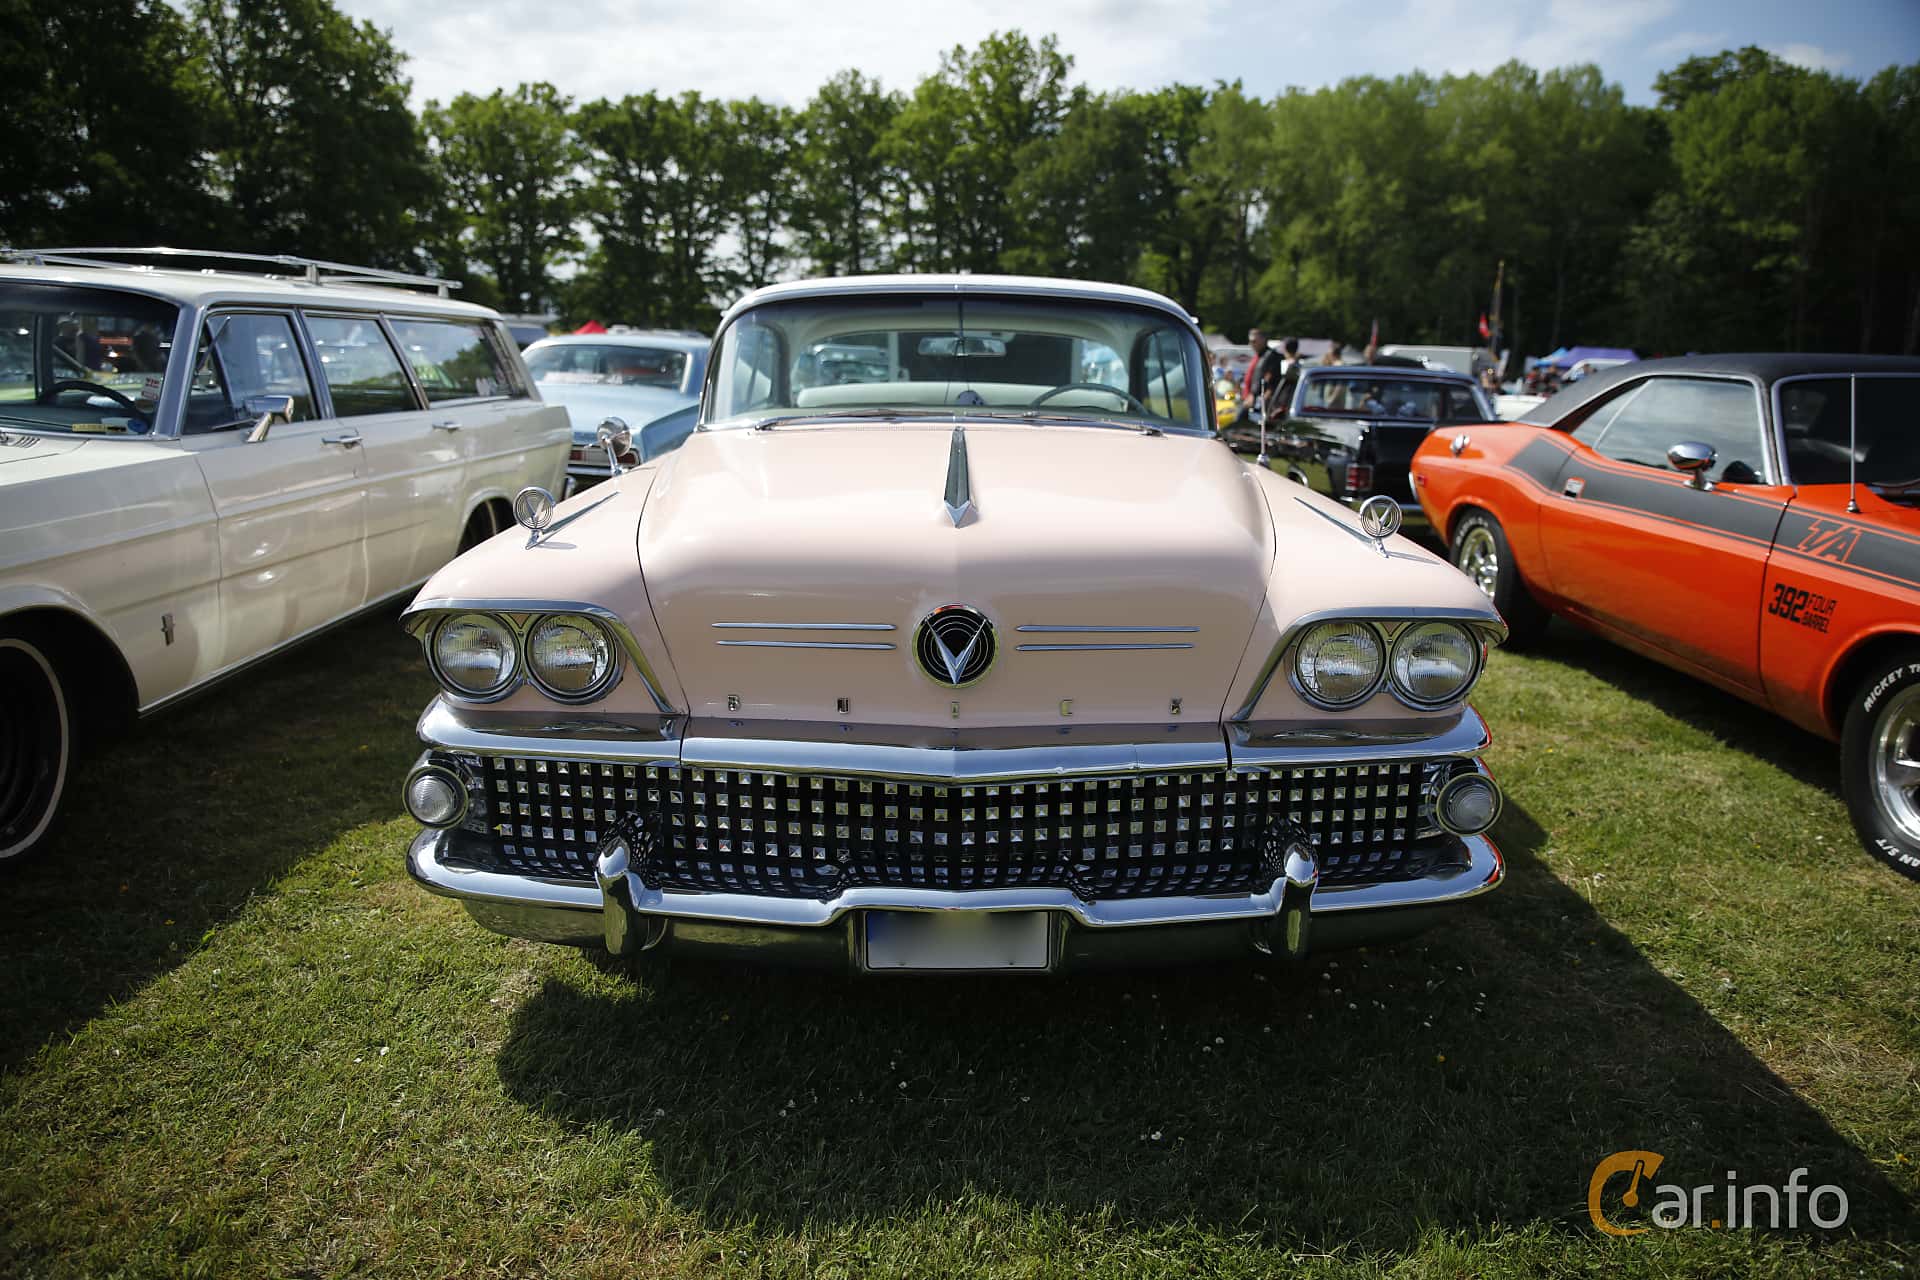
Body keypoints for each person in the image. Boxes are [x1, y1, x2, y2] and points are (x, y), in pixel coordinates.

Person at [1240, 328, 1268, 403]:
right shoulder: (1258, 356)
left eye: (1254, 341)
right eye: (1250, 341)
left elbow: (1270, 382)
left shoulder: (1269, 357)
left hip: (1256, 401)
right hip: (1248, 399)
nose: (1251, 344)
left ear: (1263, 340)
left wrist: (1253, 395)